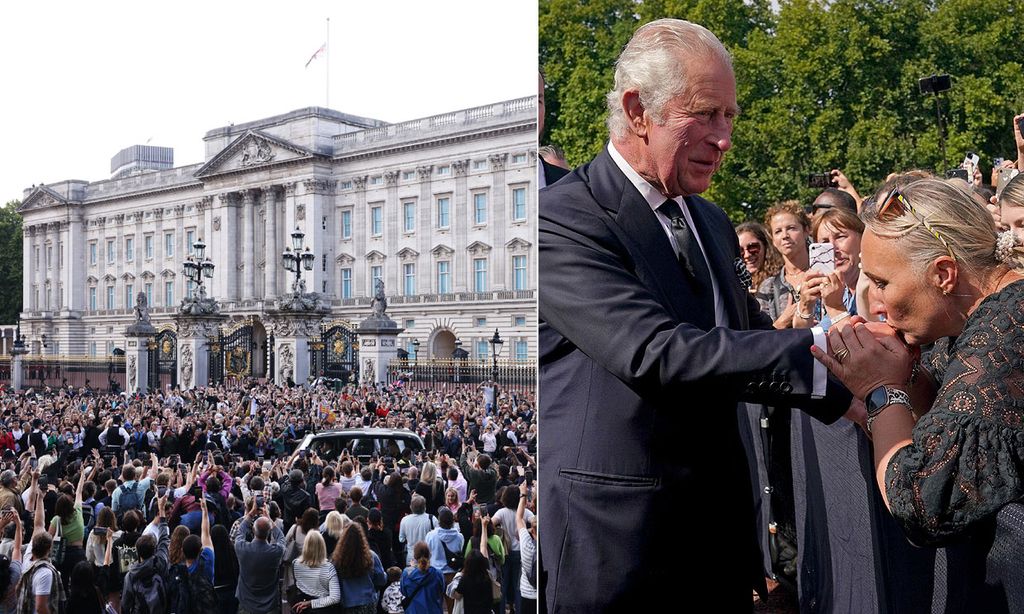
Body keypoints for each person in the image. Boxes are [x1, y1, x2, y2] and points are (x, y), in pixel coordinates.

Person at [538, 18, 848, 611]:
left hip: (718, 543)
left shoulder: (707, 219)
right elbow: (656, 351)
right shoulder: (562, 219)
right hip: (620, 549)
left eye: (729, 117)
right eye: (705, 114)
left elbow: (743, 335)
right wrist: (828, 365)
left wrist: (846, 360)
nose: (724, 137)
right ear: (637, 110)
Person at [812, 178, 1024, 551]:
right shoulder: (969, 319)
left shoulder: (1007, 328)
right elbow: (939, 417)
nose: (875, 301)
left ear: (943, 274)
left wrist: (881, 392)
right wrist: (903, 374)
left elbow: (923, 504)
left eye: (882, 282)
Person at [234, 500, 286, 614]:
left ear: (253, 530)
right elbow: (281, 538)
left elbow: (240, 532)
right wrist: (269, 519)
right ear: (268, 532)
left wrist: (251, 513)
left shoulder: (242, 548)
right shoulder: (275, 552)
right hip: (270, 605)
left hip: (246, 603)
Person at [330, 524, 385, 614]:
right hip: (367, 602)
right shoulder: (371, 556)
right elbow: (381, 580)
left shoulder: (336, 559)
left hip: (347, 603)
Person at [423, 508, 464, 614]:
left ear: (439, 521)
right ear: (452, 521)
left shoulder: (430, 536)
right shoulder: (459, 537)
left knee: (435, 605)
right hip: (452, 574)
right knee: (452, 607)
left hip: (435, 574)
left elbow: (427, 554)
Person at [290, 530, 341, 614]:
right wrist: (311, 603)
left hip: (302, 607)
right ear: (322, 546)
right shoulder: (329, 568)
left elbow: (297, 585)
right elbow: (335, 598)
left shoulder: (295, 564)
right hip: (324, 609)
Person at [735, 221, 781, 293]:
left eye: (753, 247)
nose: (747, 255)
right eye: (740, 251)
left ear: (765, 246)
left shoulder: (780, 281)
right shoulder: (733, 287)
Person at [399, 542, 444, 614]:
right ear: (429, 555)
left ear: (414, 556)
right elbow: (441, 591)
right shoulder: (438, 573)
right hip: (434, 610)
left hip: (414, 610)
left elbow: (403, 592)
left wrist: (412, 568)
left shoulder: (406, 573)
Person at [397, 496, 435, 567]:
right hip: (428, 558)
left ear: (411, 507)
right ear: (424, 506)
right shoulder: (431, 519)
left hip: (411, 558)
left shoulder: (404, 520)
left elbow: (401, 539)